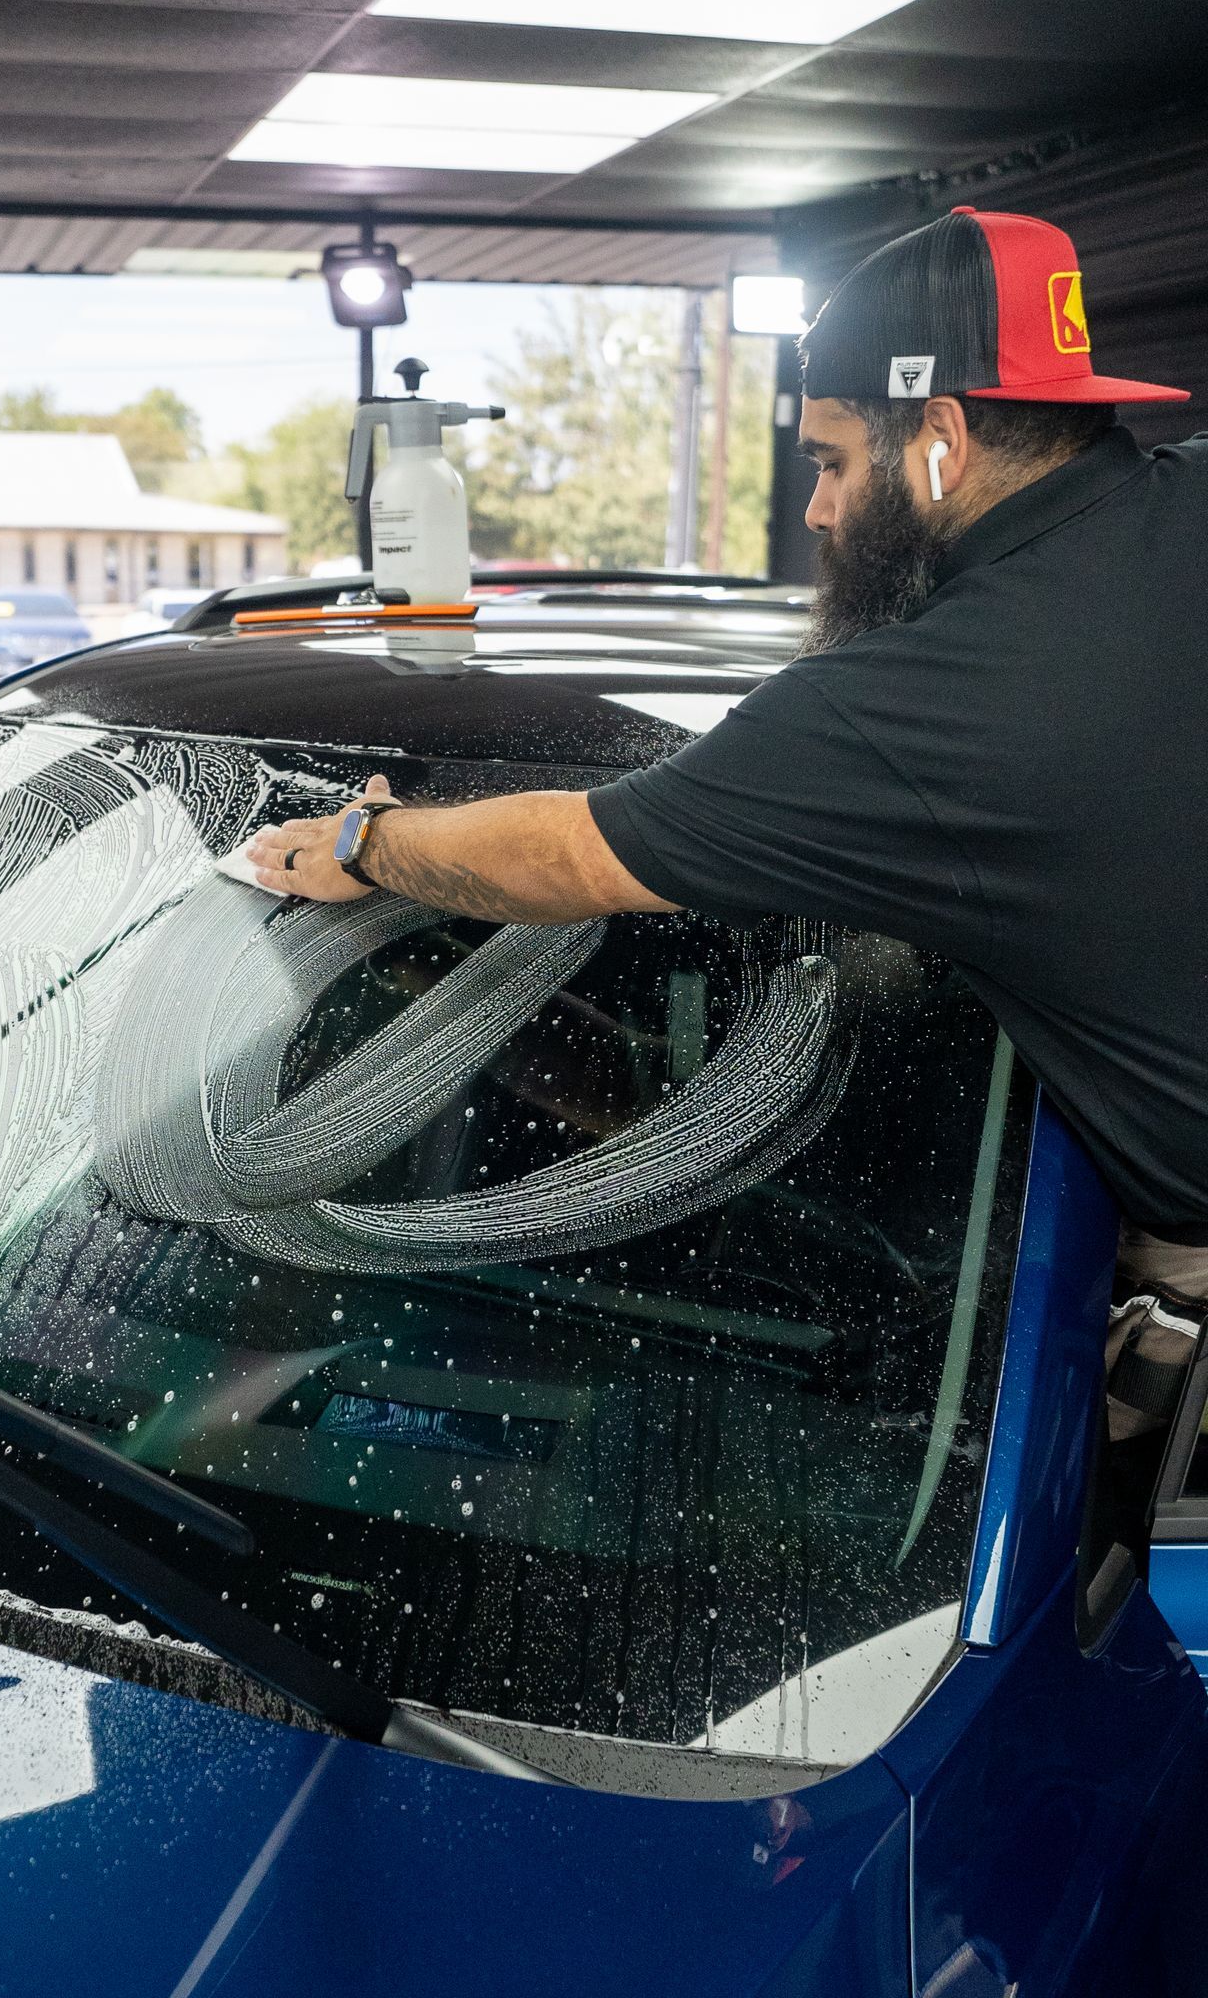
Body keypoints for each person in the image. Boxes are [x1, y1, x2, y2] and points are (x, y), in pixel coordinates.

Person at [247, 205, 1208, 1278]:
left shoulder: (920, 706)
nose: (819, 509)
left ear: (940, 435)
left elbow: (571, 854)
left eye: (834, 460)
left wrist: (365, 843)